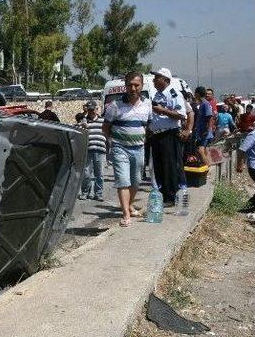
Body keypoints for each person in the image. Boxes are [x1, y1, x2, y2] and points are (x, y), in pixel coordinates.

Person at [103, 71, 153, 227]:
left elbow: (148, 125)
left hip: (138, 148)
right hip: (120, 148)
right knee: (123, 181)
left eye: (136, 85)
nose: (133, 88)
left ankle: (130, 205)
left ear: (141, 86)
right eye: (129, 85)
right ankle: (125, 214)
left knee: (136, 181)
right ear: (125, 86)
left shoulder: (147, 104)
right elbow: (106, 127)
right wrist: (113, 141)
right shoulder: (115, 106)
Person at [148, 67, 187, 205]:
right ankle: (164, 195)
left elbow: (181, 115)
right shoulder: (157, 95)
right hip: (157, 135)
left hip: (169, 134)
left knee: (170, 165)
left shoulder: (173, 93)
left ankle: (171, 196)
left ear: (165, 79)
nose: (154, 80)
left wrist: (162, 110)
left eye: (157, 77)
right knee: (159, 166)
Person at [79, 100, 107, 201]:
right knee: (86, 173)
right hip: (88, 150)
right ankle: (85, 192)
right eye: (89, 110)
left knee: (99, 174)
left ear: (96, 109)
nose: (91, 112)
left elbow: (108, 133)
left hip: (100, 150)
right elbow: (77, 132)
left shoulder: (103, 121)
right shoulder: (84, 121)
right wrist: (82, 127)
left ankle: (98, 194)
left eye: (92, 110)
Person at [237, 122, 255, 213]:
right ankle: (247, 209)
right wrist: (239, 164)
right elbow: (242, 149)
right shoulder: (254, 134)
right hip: (254, 166)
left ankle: (247, 209)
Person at [192, 86, 214, 166]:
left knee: (200, 150)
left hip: (205, 132)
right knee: (204, 150)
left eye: (195, 93)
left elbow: (210, 117)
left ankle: (206, 167)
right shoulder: (202, 104)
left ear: (197, 94)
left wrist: (207, 130)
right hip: (201, 132)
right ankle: (207, 165)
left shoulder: (205, 104)